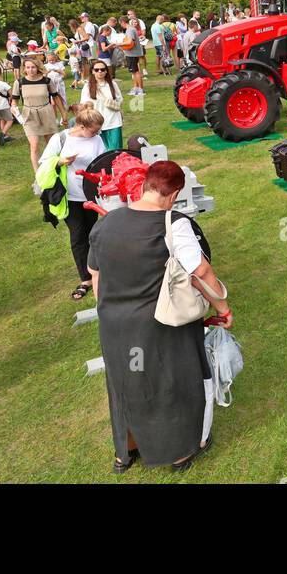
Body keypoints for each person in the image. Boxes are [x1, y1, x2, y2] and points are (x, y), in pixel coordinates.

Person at [89, 160, 232, 472]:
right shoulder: (175, 224)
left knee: (125, 385)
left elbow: (94, 274)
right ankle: (179, 454)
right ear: (175, 193)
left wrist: (109, 312)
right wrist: (223, 308)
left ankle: (124, 454)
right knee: (171, 385)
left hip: (114, 324)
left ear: (144, 185)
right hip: (162, 325)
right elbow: (201, 272)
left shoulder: (106, 222)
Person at [39, 107, 107, 300]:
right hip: (70, 197)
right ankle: (85, 279)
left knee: (94, 233)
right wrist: (60, 162)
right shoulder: (60, 139)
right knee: (78, 235)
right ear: (81, 126)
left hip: (91, 195)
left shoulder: (97, 139)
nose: (95, 134)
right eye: (93, 130)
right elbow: (44, 162)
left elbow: (103, 161)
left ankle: (99, 272)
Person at [11, 58, 65, 171]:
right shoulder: (19, 82)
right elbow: (14, 101)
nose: (30, 70)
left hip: (46, 112)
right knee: (34, 146)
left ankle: (53, 169)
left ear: (38, 68)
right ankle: (38, 174)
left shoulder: (46, 81)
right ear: (24, 69)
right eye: (28, 67)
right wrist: (14, 108)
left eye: (33, 67)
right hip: (29, 114)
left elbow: (55, 97)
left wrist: (63, 113)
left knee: (51, 145)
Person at [86, 61, 123, 150]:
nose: (100, 72)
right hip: (97, 123)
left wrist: (113, 104)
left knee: (115, 149)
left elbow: (119, 99)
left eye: (102, 69)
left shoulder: (112, 84)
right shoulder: (88, 86)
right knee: (102, 150)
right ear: (92, 71)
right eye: (97, 70)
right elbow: (85, 103)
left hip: (114, 121)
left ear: (106, 71)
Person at [122, 17, 145, 96]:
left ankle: (140, 90)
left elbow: (130, 41)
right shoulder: (130, 29)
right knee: (133, 72)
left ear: (122, 22)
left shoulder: (130, 30)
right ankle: (136, 88)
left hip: (132, 53)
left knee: (136, 71)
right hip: (131, 53)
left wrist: (118, 44)